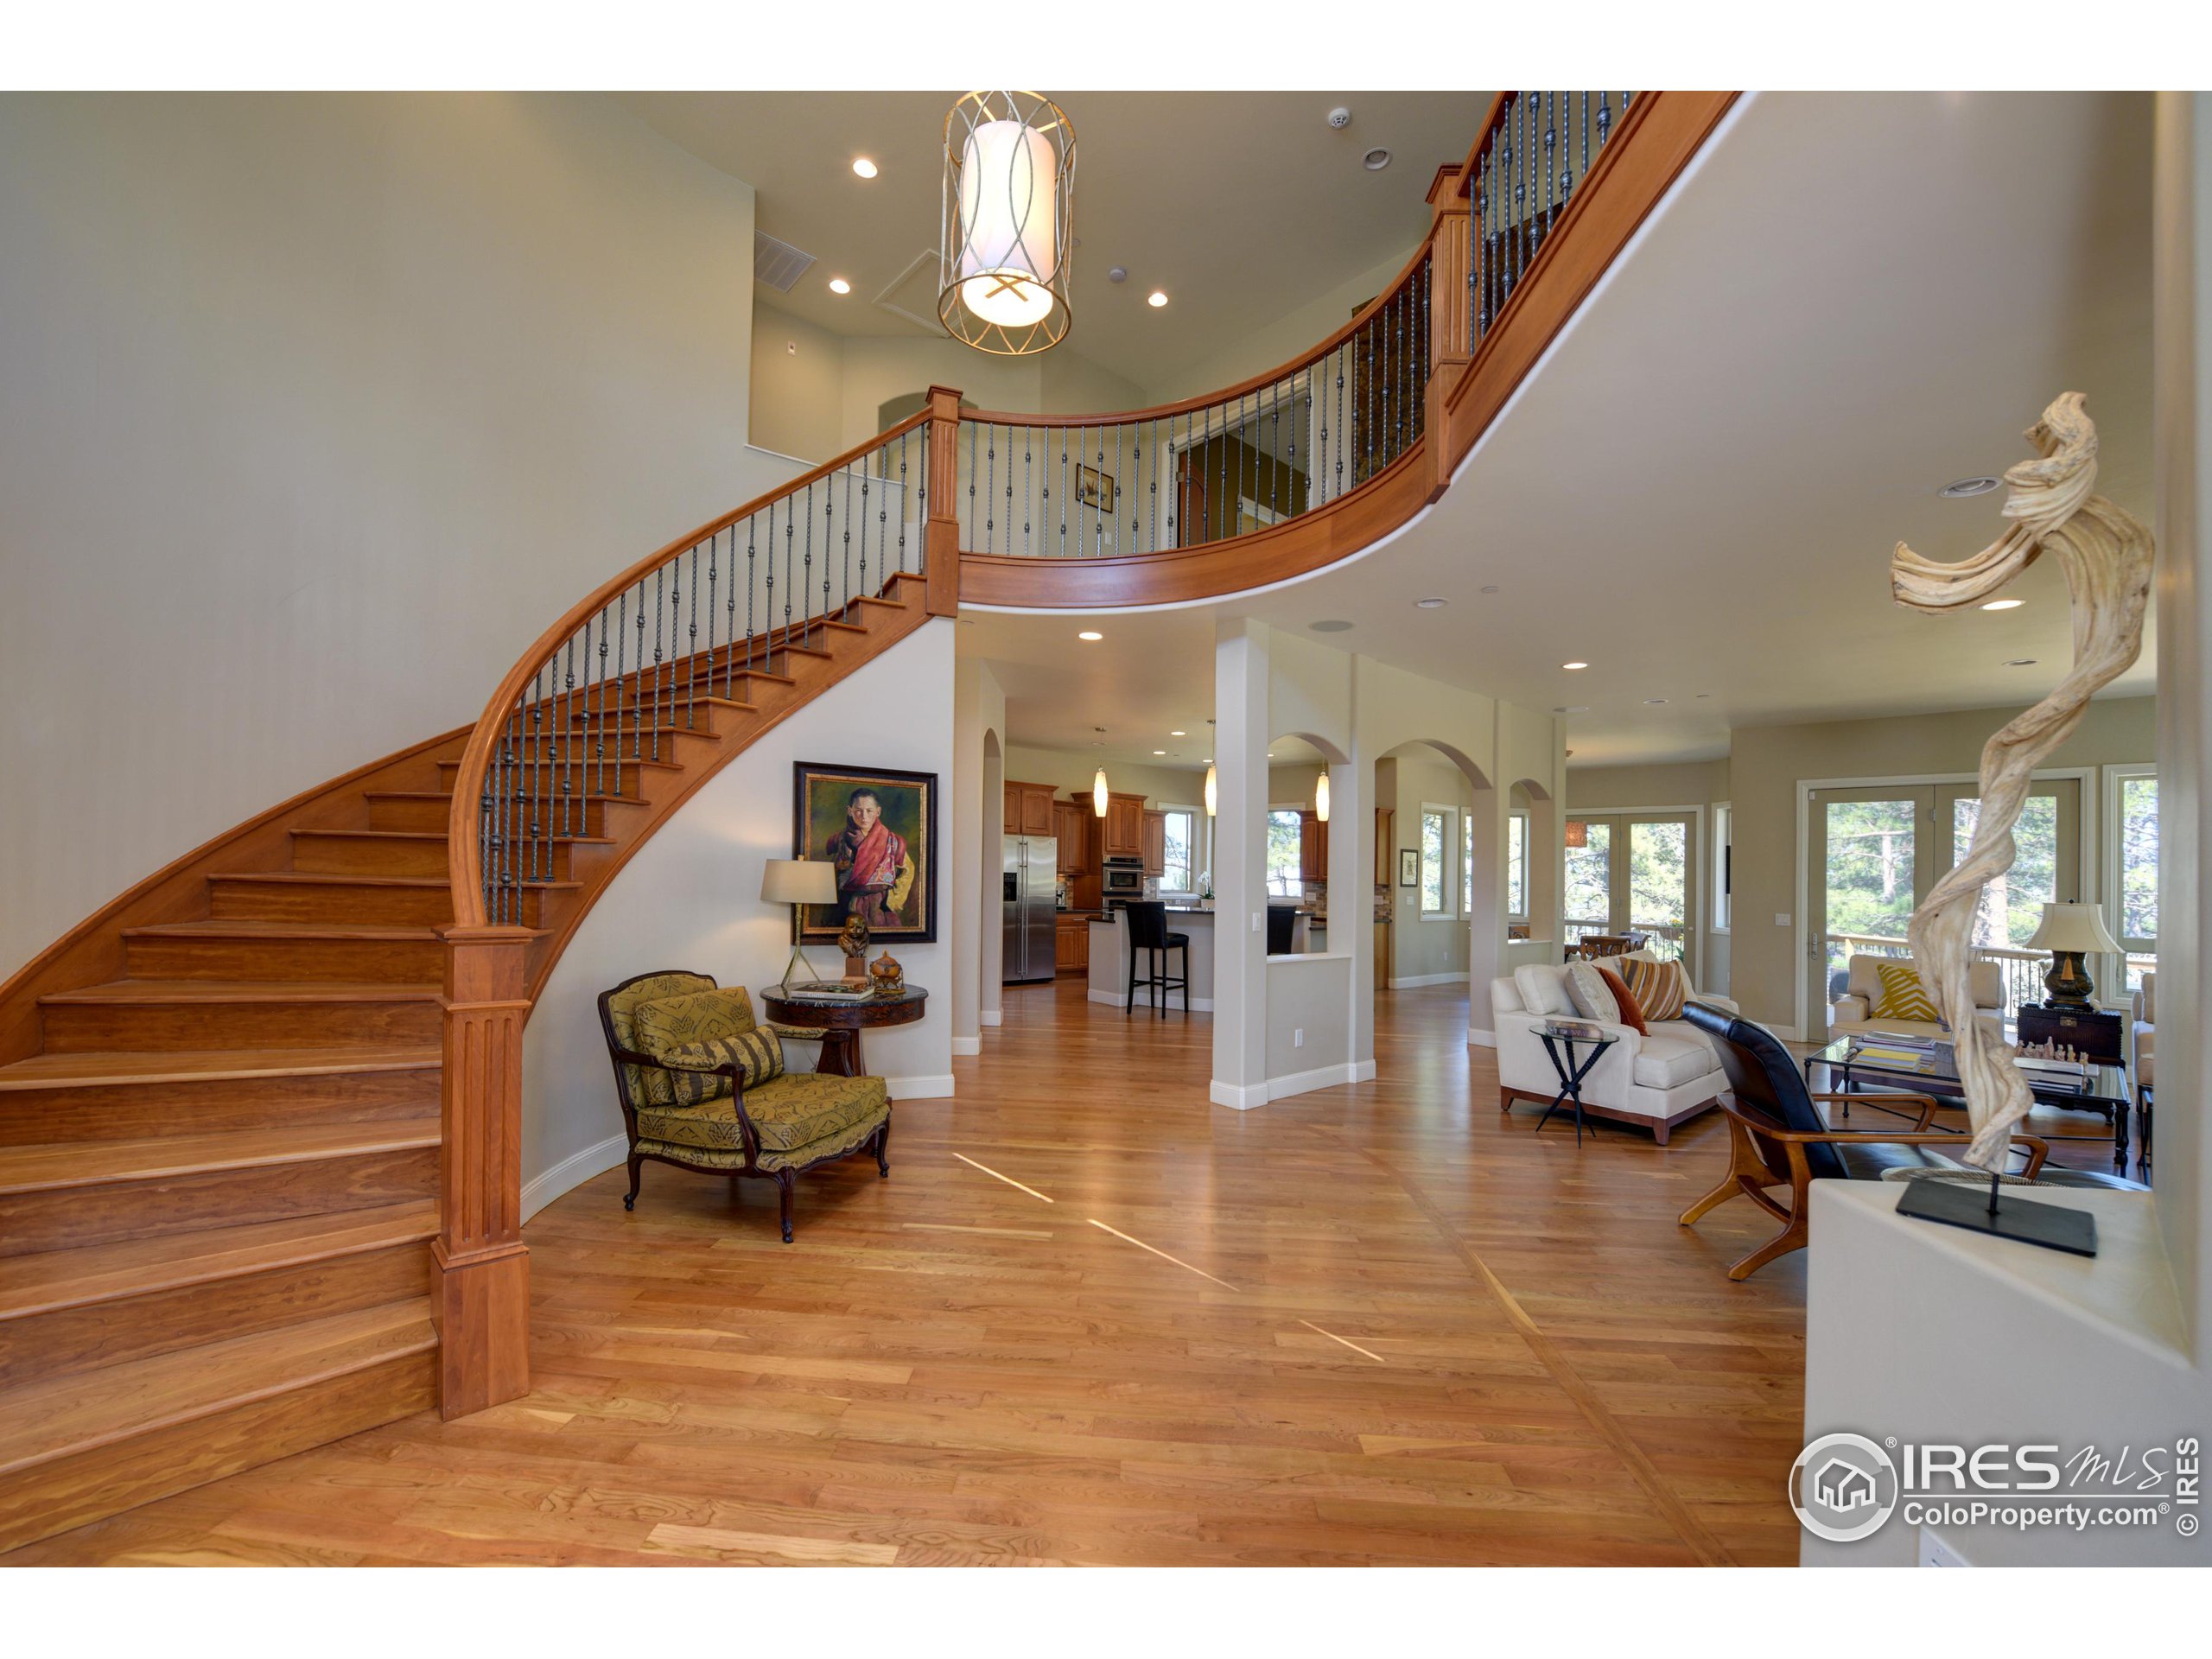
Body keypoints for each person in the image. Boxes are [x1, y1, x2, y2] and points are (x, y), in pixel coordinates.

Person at [824, 787, 915, 927]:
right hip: (848, 906)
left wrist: (893, 901)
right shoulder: (840, 840)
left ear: (878, 812)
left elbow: (908, 871)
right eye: (858, 810)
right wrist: (838, 868)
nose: (864, 816)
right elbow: (828, 872)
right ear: (849, 811)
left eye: (869, 811)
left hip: (879, 906)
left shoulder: (892, 841)